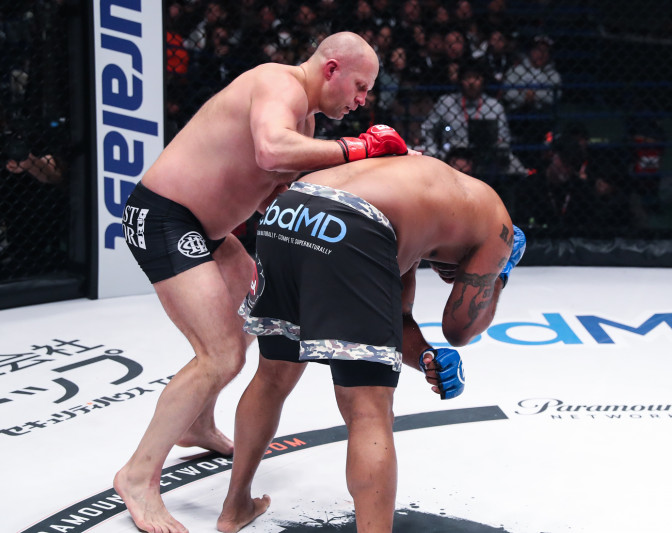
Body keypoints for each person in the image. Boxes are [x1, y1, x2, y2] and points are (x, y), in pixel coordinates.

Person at [113, 32, 412, 533]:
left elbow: (276, 190)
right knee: (220, 355)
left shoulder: (306, 122)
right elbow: (271, 150)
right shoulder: (278, 84)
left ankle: (197, 423)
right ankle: (137, 476)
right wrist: (357, 147)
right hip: (164, 217)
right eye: (360, 86)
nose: (363, 100)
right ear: (332, 69)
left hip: (209, 231)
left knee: (256, 317)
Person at [216, 154, 527, 533]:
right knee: (369, 411)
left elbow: (396, 317)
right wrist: (500, 275)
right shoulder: (498, 228)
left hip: (288, 210)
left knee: (272, 376)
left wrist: (425, 357)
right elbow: (459, 329)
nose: (446, 276)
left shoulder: (426, 205)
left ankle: (234, 507)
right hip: (356, 223)